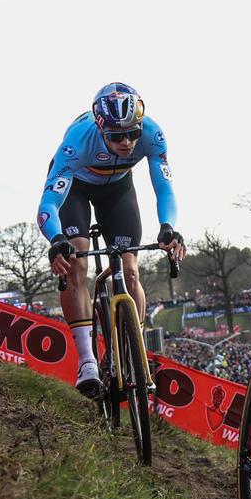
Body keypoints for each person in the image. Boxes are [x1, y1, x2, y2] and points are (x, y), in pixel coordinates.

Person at [39, 83, 186, 396]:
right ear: (100, 127)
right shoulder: (77, 142)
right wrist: (56, 239)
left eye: (132, 133)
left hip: (118, 189)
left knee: (130, 269)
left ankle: (134, 349)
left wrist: (168, 226)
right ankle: (87, 361)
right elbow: (48, 205)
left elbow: (165, 188)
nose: (127, 142)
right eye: (117, 136)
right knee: (77, 262)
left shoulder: (152, 134)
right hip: (75, 188)